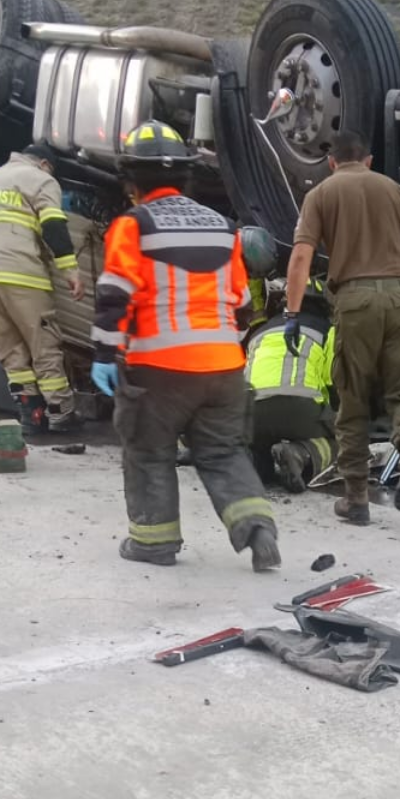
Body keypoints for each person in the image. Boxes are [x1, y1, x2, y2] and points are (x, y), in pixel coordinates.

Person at [90, 120, 280, 572]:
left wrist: (103, 354)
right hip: (225, 367)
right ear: (187, 177)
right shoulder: (221, 227)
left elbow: (114, 295)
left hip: (159, 369)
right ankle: (258, 530)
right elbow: (240, 304)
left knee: (148, 451)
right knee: (223, 452)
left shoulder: (133, 225)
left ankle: (153, 542)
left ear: (132, 180)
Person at [283, 131, 400, 525]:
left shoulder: (320, 195)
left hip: (356, 303)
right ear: (369, 160)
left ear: (332, 162)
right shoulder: (397, 192)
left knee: (353, 402)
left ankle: (356, 498)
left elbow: (301, 256)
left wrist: (292, 314)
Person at [0, 142, 85, 434]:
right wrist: (70, 270)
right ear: (45, 164)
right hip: (20, 273)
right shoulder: (41, 179)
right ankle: (62, 414)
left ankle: (31, 417)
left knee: (10, 350)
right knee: (44, 344)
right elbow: (53, 225)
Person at [246, 276, 336, 493]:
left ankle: (252, 461)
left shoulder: (259, 332)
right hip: (301, 410)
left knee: (257, 443)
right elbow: (333, 383)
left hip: (252, 413)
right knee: (346, 439)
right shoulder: (328, 330)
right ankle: (300, 453)